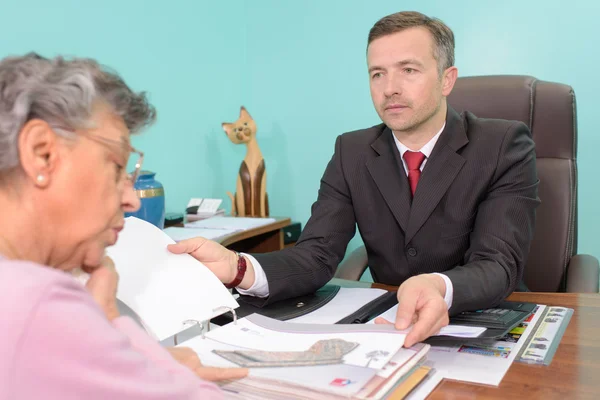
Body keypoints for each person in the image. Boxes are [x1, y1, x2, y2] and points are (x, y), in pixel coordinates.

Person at [168, 11, 539, 348]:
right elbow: (316, 255)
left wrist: (438, 286)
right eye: (377, 73)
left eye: (408, 70)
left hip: (479, 320)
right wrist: (239, 267)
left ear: (447, 80)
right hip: (389, 327)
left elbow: (498, 264)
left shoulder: (503, 145)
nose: (389, 87)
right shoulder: (353, 151)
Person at [0, 53, 246, 399]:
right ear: (42, 153)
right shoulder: (37, 304)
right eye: (117, 168)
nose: (132, 200)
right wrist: (120, 332)